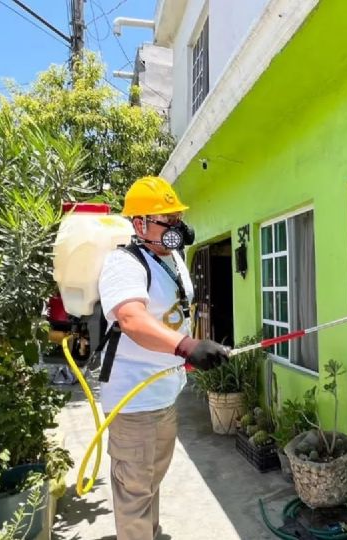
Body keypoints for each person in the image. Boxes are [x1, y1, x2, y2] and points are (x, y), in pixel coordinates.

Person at [97, 176, 229, 540]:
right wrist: (185, 347)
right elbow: (132, 319)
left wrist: (189, 351)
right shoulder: (123, 263)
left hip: (165, 393)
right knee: (135, 490)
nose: (176, 228)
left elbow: (175, 312)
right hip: (133, 398)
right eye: (166, 221)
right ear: (139, 224)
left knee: (151, 480)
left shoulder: (173, 259)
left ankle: (150, 534)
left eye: (177, 219)